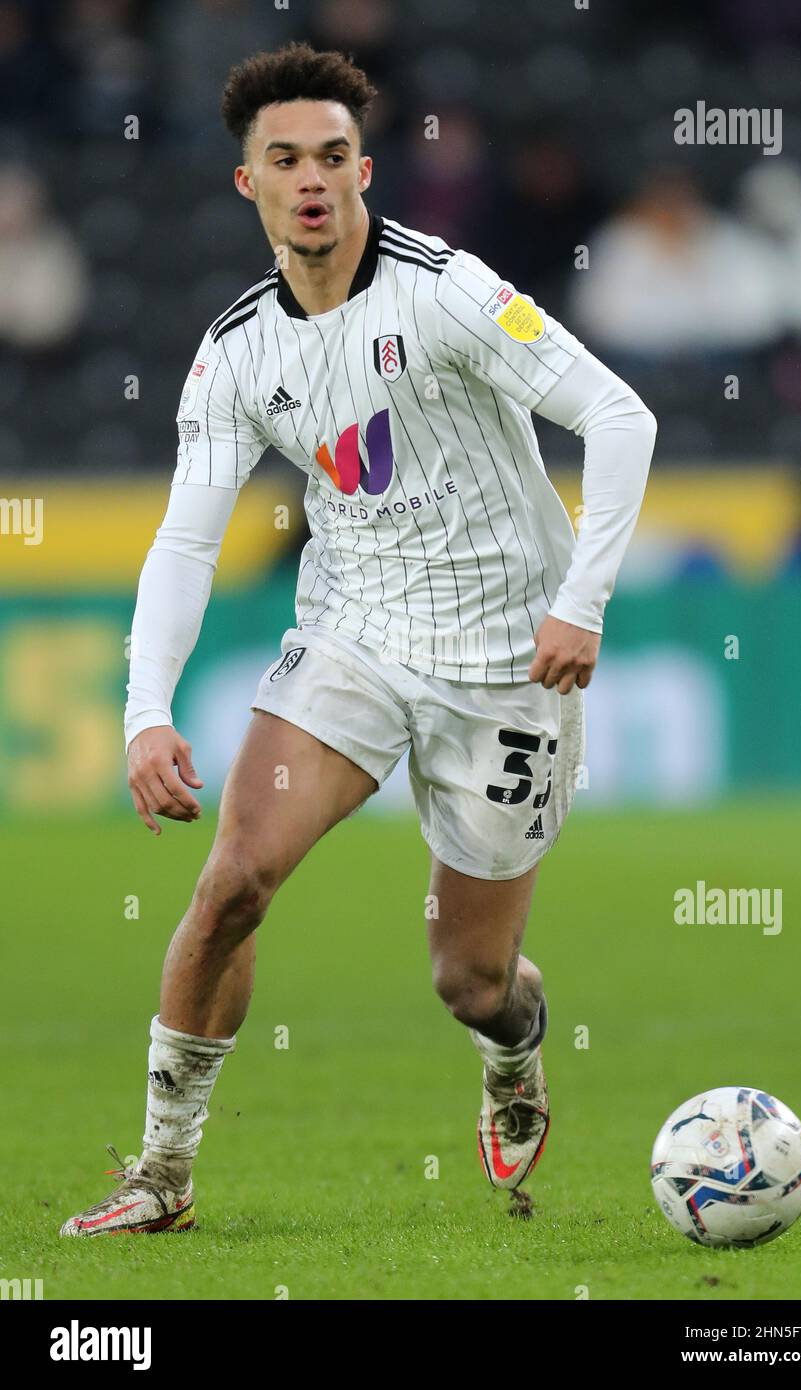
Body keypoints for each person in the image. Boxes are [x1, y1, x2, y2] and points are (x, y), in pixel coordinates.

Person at [60, 42, 656, 1236]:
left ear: (365, 169)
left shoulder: (446, 291)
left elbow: (617, 412)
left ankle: (513, 1050)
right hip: (354, 636)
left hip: (508, 662)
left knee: (468, 980)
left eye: (332, 155)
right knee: (234, 880)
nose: (311, 179)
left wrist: (579, 601)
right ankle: (162, 1175)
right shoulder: (235, 353)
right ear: (249, 185)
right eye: (283, 160)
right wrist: (143, 711)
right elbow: (185, 542)